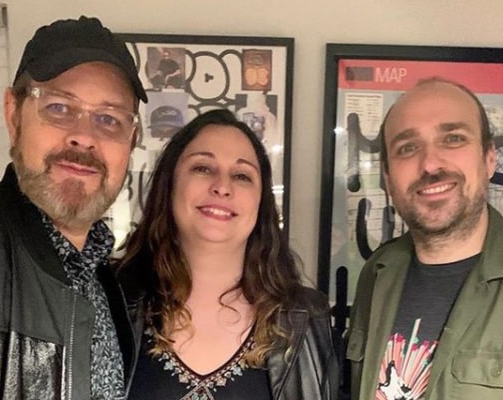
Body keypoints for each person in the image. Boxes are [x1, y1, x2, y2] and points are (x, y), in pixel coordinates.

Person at [0, 16, 148, 399]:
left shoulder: (104, 278)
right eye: (59, 107)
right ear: (13, 115)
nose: (84, 137)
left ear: (131, 141)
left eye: (109, 119)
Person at [114, 109, 340, 399]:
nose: (222, 187)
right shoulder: (112, 301)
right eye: (203, 168)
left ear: (261, 202)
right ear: (170, 184)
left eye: (242, 176)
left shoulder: (307, 318)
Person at [347, 77, 503, 400]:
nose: (430, 164)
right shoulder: (377, 272)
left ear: (489, 158)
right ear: (388, 177)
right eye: (407, 148)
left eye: (453, 139)